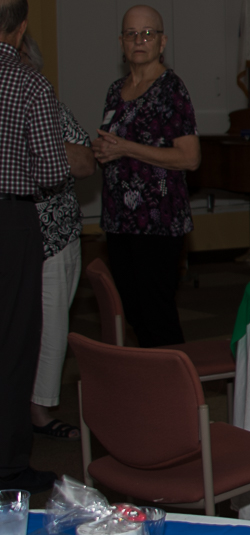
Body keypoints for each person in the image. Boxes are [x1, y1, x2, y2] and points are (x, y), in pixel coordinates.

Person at [93, 4, 200, 348]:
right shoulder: (115, 90)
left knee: (158, 315)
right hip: (119, 221)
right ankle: (149, 393)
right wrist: (104, 150)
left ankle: (178, 394)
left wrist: (125, 148)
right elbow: (118, 145)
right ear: (121, 42)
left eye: (147, 33)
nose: (139, 40)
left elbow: (189, 157)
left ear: (162, 41)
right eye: (131, 34)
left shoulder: (171, 89)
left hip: (157, 222)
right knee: (134, 314)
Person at [0, 0, 68, 493]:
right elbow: (51, 171)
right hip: (10, 222)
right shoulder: (28, 82)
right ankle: (7, 468)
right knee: (14, 342)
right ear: (22, 27)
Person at [19, 33, 95, 441]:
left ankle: (40, 411)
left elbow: (85, 162)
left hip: (54, 233)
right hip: (12, 233)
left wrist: (38, 140)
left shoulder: (49, 106)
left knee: (52, 324)